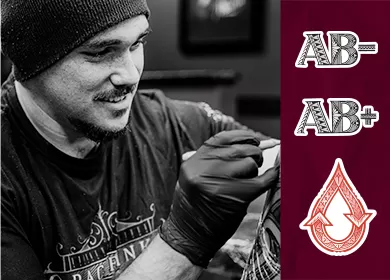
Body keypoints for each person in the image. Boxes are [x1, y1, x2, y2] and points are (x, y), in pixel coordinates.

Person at [1, 1, 280, 279]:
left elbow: (299, 165)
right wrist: (187, 237)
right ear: (34, 60)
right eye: (100, 52)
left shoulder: (167, 123)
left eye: (136, 44)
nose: (131, 75)